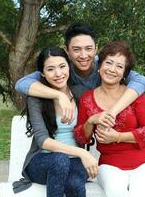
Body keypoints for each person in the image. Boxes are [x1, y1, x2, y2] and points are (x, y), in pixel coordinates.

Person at [15, 22, 145, 127]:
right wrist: (59, 95)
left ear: (96, 48)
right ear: (67, 50)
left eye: (89, 49)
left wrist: (112, 112)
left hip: (109, 125)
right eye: (76, 50)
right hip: (78, 127)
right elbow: (22, 84)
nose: (83, 56)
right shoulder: (62, 70)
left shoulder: (106, 67)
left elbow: (141, 81)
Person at [74, 41, 145, 197]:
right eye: (109, 63)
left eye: (119, 66)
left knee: (139, 194)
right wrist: (91, 120)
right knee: (115, 192)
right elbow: (81, 137)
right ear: (99, 66)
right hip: (110, 164)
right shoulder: (87, 99)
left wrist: (118, 137)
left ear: (124, 73)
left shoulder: (134, 95)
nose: (112, 70)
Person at [12, 46, 98, 197]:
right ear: (42, 75)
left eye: (62, 66)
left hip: (76, 162)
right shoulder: (36, 98)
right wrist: (82, 153)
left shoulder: (81, 93)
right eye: (50, 69)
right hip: (42, 161)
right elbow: (42, 141)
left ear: (69, 67)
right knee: (60, 160)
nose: (58, 74)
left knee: (75, 185)